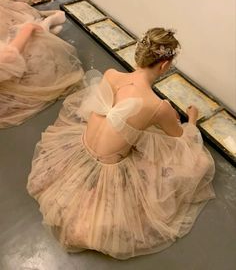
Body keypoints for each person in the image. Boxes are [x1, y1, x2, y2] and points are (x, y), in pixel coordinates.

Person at [27, 28, 215, 259]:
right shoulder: (158, 106)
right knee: (199, 162)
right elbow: (181, 139)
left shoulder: (111, 74)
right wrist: (192, 120)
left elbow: (120, 117)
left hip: (81, 149)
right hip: (110, 170)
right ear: (165, 66)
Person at [0, 0, 84, 127]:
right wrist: (28, 29)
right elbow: (8, 57)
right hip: (7, 72)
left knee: (19, 14)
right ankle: (45, 27)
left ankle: (44, 28)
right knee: (28, 33)